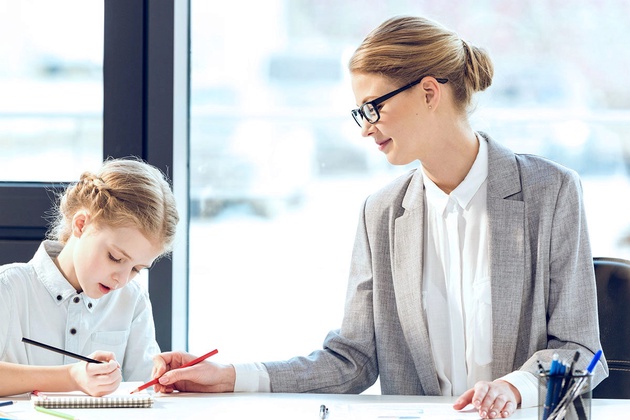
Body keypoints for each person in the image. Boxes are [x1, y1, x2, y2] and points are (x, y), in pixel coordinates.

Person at [150, 15, 608, 419]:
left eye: (375, 107)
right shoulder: (383, 212)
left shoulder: (551, 192)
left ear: (429, 92)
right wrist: (230, 376)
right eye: (359, 112)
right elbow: (352, 359)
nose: (366, 127)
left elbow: (580, 349)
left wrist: (514, 388)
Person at [0, 157, 179, 397]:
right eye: (115, 258)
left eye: (137, 269)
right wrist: (71, 376)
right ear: (81, 224)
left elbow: (145, 388)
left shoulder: (132, 300)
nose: (122, 279)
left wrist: (166, 381)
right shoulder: (9, 288)